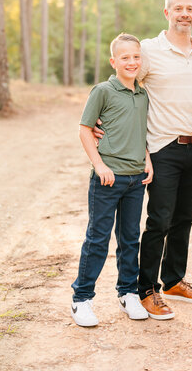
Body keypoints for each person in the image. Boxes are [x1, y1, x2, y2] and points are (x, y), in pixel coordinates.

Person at [94, 0, 192, 320]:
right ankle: (147, 290)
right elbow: (123, 81)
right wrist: (103, 116)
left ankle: (173, 280)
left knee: (185, 218)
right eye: (178, 8)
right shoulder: (149, 50)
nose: (185, 13)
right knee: (159, 219)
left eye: (190, 8)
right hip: (163, 147)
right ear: (167, 13)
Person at [71, 33, 153, 326]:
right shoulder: (103, 90)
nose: (131, 62)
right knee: (97, 238)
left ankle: (128, 293)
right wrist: (99, 164)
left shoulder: (142, 94)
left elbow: (139, 132)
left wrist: (148, 159)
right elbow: (84, 129)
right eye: (125, 57)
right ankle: (82, 299)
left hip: (135, 180)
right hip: (107, 180)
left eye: (136, 57)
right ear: (113, 61)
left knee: (130, 238)